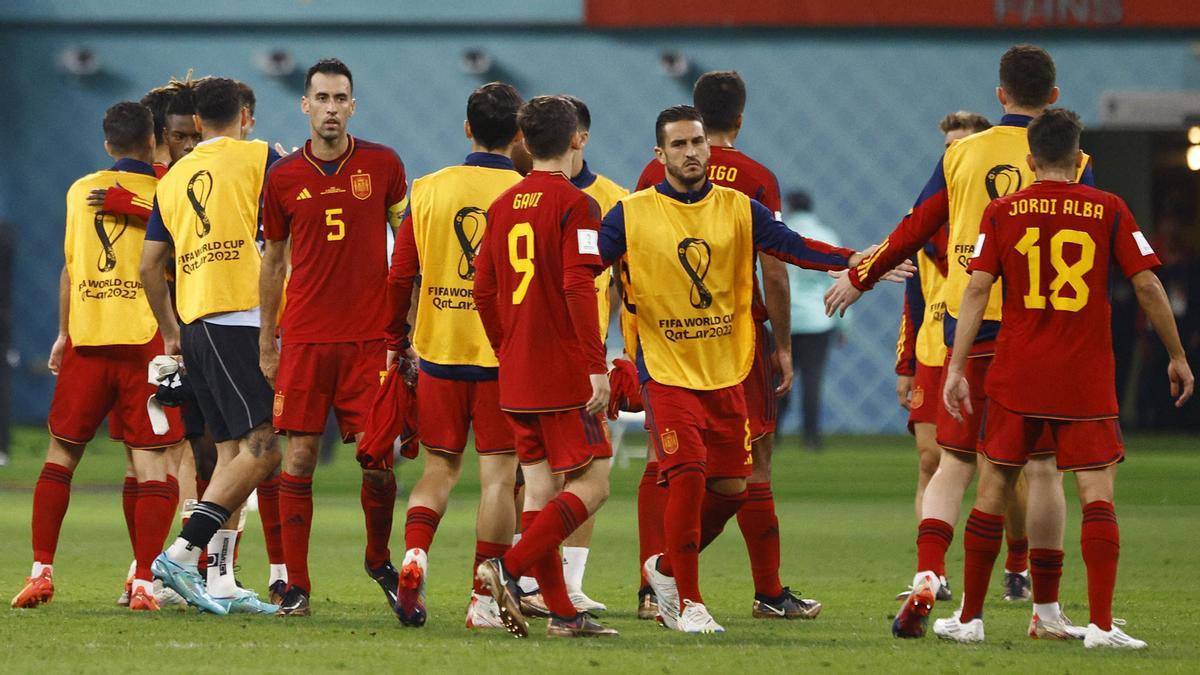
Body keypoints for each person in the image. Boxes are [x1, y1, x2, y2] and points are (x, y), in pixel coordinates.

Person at [825, 45, 1093, 638]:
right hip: (1043, 332)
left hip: (969, 331)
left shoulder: (961, 154)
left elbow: (916, 227)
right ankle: (1044, 611)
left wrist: (859, 276)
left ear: (1000, 95)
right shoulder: (1071, 159)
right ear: (1054, 96)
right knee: (1043, 470)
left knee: (954, 461)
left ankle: (928, 573)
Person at [604, 105, 897, 633]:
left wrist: (860, 260)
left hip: (726, 369)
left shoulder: (740, 206)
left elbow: (794, 249)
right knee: (687, 474)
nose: (691, 152)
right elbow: (587, 272)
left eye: (697, 142)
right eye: (679, 145)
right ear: (659, 155)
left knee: (734, 488)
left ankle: (666, 570)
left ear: (709, 145)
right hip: (666, 370)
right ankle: (688, 601)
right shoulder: (630, 212)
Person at [937, 108, 1193, 648]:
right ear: (1079, 160)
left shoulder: (1004, 211)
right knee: (1097, 492)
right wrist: (1177, 355)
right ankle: (1100, 625)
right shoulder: (1109, 208)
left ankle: (970, 618)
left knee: (995, 486)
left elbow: (977, 291)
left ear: (1030, 161)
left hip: (1016, 373)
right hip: (1084, 376)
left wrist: (957, 366)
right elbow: (1147, 286)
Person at [635, 71, 810, 621]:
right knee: (752, 463)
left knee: (660, 460)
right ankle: (767, 590)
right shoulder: (755, 178)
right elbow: (775, 269)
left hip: (664, 341)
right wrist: (782, 343)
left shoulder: (650, 171)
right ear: (740, 117)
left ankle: (650, 589)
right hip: (734, 339)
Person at [11, 101, 183, 611]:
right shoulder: (168, 193)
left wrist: (63, 333)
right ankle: (145, 582)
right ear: (152, 141)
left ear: (107, 143)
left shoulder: (78, 191)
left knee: (61, 455)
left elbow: (70, 268)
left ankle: (41, 570)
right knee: (152, 465)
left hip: (87, 342)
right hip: (146, 344)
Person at [259, 58, 409, 616]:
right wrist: (267, 341)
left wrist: (408, 326)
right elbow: (273, 263)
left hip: (369, 340)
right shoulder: (282, 178)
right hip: (303, 339)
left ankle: (378, 559)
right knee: (296, 458)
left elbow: (408, 245)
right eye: (320, 98)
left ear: (352, 105)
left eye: (339, 98)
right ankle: (295, 585)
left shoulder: (384, 164)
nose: (329, 107)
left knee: (378, 458)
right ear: (305, 105)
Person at [473, 95, 617, 639]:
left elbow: (484, 290)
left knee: (539, 492)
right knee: (594, 483)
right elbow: (579, 284)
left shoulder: (503, 205)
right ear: (578, 138)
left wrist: (506, 347)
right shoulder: (579, 206)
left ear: (524, 143)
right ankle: (507, 569)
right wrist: (595, 365)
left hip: (515, 372)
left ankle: (561, 613)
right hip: (562, 374)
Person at [386, 82, 525, 629]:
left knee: (438, 469)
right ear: (518, 134)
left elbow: (401, 276)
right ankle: (482, 599)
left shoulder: (428, 189)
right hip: (502, 358)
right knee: (498, 478)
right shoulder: (527, 192)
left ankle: (416, 553)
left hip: (438, 351)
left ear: (467, 128)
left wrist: (398, 341)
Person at [141, 76, 282, 615]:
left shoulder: (173, 178)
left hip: (196, 323)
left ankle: (220, 579)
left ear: (196, 123)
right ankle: (181, 555)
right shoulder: (261, 157)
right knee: (264, 447)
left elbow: (149, 266)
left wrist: (173, 332)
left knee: (229, 457)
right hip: (240, 318)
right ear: (245, 115)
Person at [892, 112, 988, 603]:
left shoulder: (995, 213)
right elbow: (913, 294)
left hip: (990, 344)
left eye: (963, 145)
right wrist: (905, 363)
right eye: (948, 146)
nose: (954, 154)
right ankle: (931, 572)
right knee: (932, 460)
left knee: (1000, 470)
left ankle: (1016, 565)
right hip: (934, 350)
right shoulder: (928, 216)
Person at [559, 95, 628, 614]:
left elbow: (628, 285)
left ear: (581, 137)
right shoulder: (523, 192)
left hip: (590, 358)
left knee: (586, 467)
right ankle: (530, 574)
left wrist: (623, 352)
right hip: (537, 354)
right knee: (526, 472)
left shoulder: (615, 199)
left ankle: (571, 580)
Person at [777, 189, 839, 451]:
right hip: (818, 320)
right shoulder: (827, 236)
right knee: (812, 381)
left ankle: (772, 435)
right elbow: (838, 280)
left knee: (778, 380)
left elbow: (766, 278)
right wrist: (843, 324)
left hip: (783, 320)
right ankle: (811, 439)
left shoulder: (778, 235)